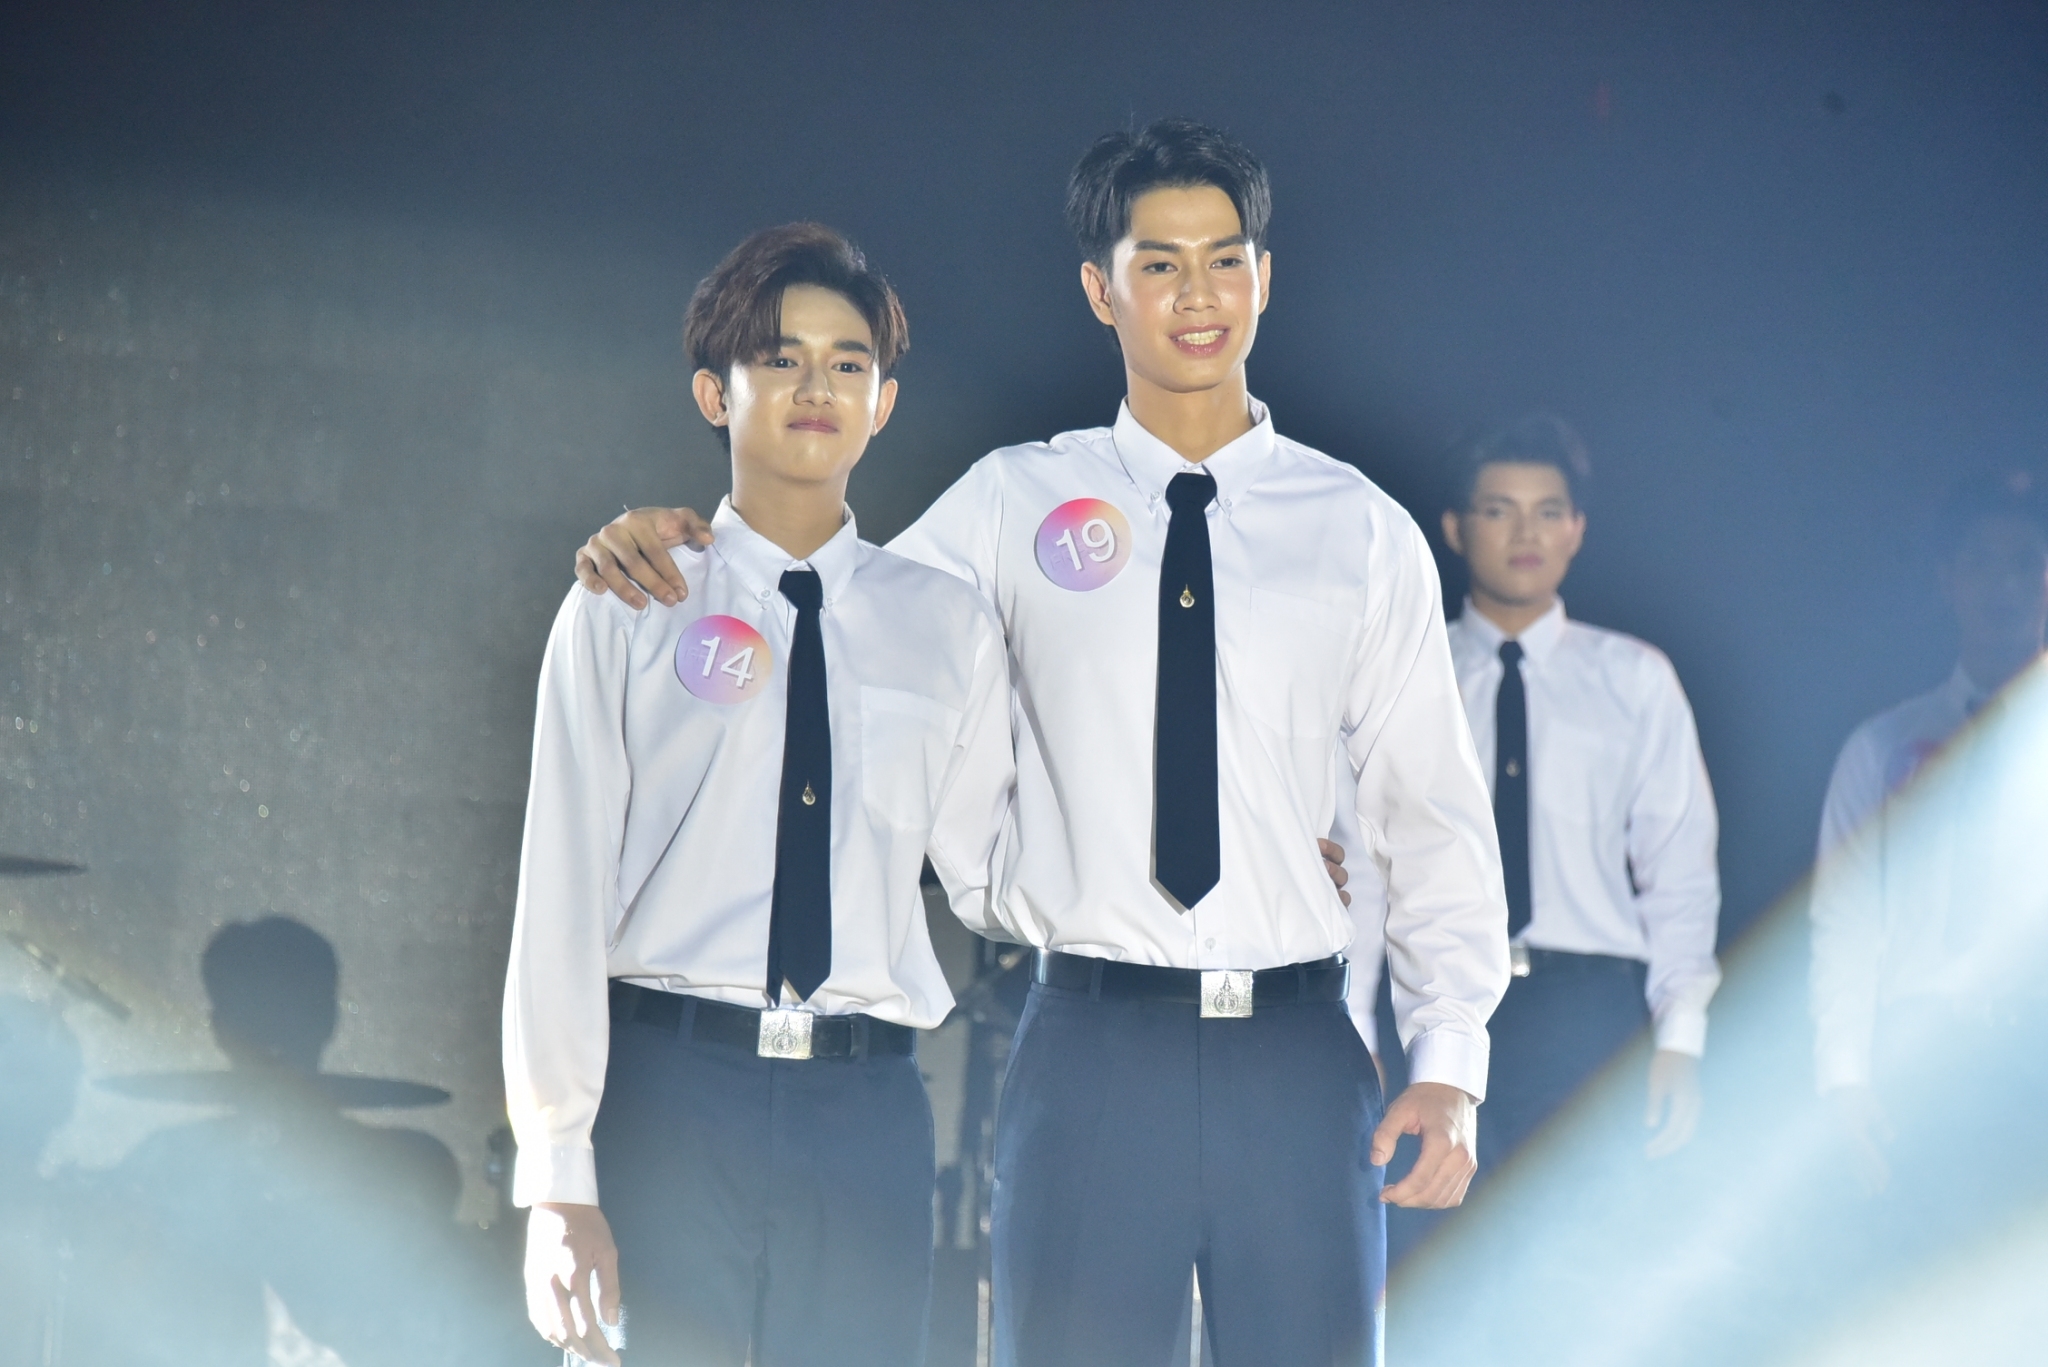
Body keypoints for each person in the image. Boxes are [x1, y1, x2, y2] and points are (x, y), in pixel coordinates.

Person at [575, 119, 1507, 1367]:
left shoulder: (1360, 528)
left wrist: (1449, 1055)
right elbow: (831, 635)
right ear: (1099, 289)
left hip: (1296, 1049)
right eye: (1158, 264)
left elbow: (1429, 806)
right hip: (1089, 1048)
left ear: (1263, 277)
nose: (1196, 295)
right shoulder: (1009, 502)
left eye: (1223, 261)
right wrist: (671, 549)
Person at [504, 224, 1015, 1366]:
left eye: (847, 362)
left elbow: (1003, 870)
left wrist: (1266, 860)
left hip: (867, 1110)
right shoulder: (630, 599)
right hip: (671, 1092)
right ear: (713, 392)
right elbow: (560, 892)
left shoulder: (946, 624)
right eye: (780, 358)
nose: (816, 386)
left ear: (882, 404)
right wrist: (557, 1176)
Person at [1423, 416, 1722, 1175]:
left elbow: (1679, 870)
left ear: (1576, 529)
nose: (1527, 533)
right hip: (1436, 1004)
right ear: (1456, 527)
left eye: (1548, 511)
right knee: (1438, 1237)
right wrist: (1360, 1027)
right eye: (1500, 510)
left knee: (1590, 1234)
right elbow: (1365, 862)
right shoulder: (1413, 675)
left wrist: (1680, 1038)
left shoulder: (1634, 679)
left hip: (1586, 1011)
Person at [1809, 471, 2048, 1205]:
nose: (2004, 586)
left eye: (2025, 563)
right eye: (1981, 563)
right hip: (1916, 1056)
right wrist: (1843, 1080)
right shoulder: (1881, 747)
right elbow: (1846, 920)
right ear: (1948, 579)